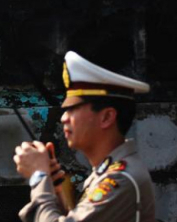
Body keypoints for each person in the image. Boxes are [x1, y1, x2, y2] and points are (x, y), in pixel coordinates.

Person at [14, 51, 155, 222]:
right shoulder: (107, 174)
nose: (63, 118)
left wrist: (39, 177)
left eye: (72, 109)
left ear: (106, 117)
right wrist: (55, 191)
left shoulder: (120, 179)